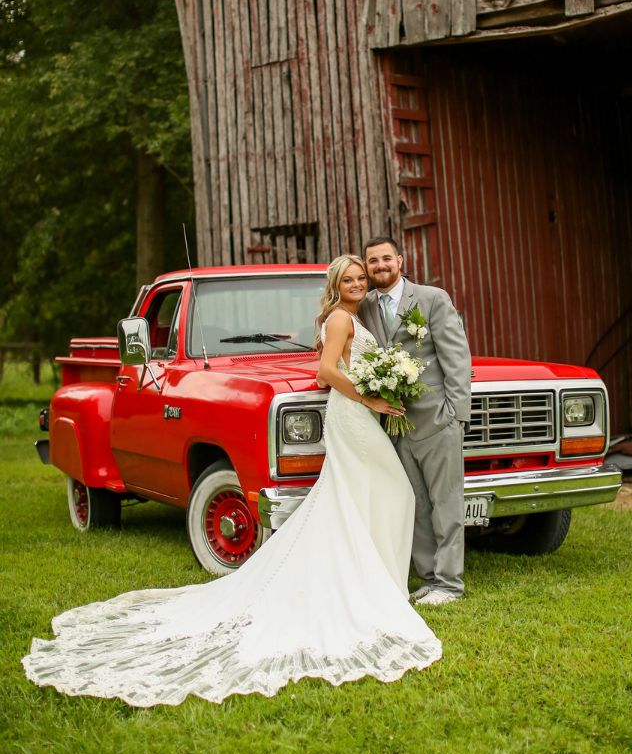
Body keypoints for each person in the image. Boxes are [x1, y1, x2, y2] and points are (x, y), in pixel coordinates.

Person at [22, 255, 441, 706]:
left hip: (354, 415)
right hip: (353, 411)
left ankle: (379, 581)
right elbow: (327, 369)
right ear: (337, 285)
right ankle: (380, 582)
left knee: (383, 493)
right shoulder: (339, 319)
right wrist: (370, 397)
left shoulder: (351, 316)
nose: (359, 283)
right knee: (386, 492)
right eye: (351, 278)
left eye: (362, 277)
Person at [360, 237, 471, 606]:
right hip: (395, 425)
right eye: (372, 261)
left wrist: (456, 414)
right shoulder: (367, 307)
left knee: (447, 503)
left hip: (437, 419)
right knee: (416, 503)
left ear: (400, 261)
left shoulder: (432, 299)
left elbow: (456, 357)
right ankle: (428, 577)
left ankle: (450, 583)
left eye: (386, 258)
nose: (380, 266)